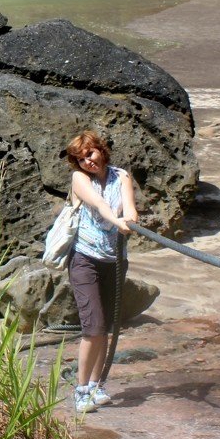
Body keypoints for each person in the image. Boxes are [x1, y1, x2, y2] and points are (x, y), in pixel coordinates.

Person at [64, 130, 139, 413]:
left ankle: (97, 385)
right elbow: (100, 205)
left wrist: (130, 220)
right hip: (85, 259)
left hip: (115, 260)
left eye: (90, 154)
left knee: (105, 327)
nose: (87, 161)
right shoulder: (79, 179)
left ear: (101, 150)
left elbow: (129, 208)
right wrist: (116, 221)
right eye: (81, 158)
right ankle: (81, 389)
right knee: (92, 327)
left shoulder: (122, 177)